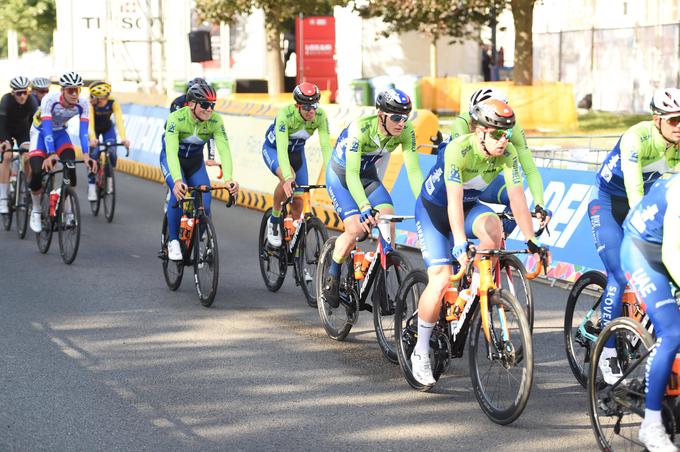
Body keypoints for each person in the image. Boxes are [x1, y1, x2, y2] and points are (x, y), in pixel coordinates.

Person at [409, 98, 550, 385]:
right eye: (497, 133)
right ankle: (420, 350)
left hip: (470, 206)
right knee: (440, 279)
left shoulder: (507, 153)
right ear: (479, 131)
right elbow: (453, 201)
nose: (503, 140)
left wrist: (531, 239)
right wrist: (460, 242)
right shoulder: (457, 150)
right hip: (435, 211)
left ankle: (476, 289)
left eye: (507, 133)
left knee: (495, 228)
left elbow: (517, 197)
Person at [589, 87, 680, 384]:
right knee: (621, 274)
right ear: (657, 121)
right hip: (607, 203)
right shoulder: (636, 137)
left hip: (638, 204)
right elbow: (634, 193)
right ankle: (607, 351)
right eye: (674, 121)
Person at [322, 88, 424, 307]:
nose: (401, 123)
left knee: (388, 222)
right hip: (341, 176)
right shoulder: (360, 128)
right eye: (396, 117)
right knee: (356, 230)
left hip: (368, 177)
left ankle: (381, 284)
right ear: (381, 116)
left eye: (405, 118)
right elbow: (350, 174)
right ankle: (333, 274)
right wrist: (364, 205)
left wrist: (424, 203)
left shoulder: (406, 132)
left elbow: (414, 171)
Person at [620, 172, 680, 452]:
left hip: (670, 250)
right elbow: (671, 255)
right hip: (644, 252)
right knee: (673, 332)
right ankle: (651, 424)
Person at [450, 87, 551, 231]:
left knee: (515, 200)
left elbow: (530, 169)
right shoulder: (461, 124)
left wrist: (540, 204)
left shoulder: (512, 128)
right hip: (461, 181)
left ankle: (499, 244)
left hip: (484, 179)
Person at [160, 83, 239, 261]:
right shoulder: (176, 119)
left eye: (213, 105)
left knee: (206, 202)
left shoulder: (216, 120)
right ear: (192, 104)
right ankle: (173, 241)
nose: (209, 109)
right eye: (205, 104)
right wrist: (178, 180)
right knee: (178, 194)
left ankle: (200, 236)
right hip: (173, 161)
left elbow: (224, 149)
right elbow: (171, 152)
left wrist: (229, 179)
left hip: (195, 163)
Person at [261, 82, 331, 248]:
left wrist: (331, 174)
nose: (311, 111)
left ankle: (293, 244)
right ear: (298, 106)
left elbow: (326, 147)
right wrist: (286, 177)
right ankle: (275, 218)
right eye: (307, 107)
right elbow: (282, 150)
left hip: (297, 154)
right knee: (289, 177)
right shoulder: (285, 115)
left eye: (314, 106)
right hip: (275, 151)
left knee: (299, 202)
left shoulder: (320, 116)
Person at [28, 71, 93, 233]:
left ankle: (68, 210)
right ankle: (36, 210)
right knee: (36, 171)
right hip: (41, 133)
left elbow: (83, 133)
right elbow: (47, 129)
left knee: (70, 167)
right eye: (70, 90)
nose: (73, 94)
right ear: (62, 90)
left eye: (76, 90)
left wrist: (86, 154)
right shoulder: (49, 100)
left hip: (61, 135)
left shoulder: (83, 104)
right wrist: (50, 154)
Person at [0, 76, 39, 213]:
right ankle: (3, 198)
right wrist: (4, 141)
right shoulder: (6, 100)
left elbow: (38, 121)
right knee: (6, 157)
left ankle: (28, 188)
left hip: (23, 130)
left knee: (28, 156)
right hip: (6, 130)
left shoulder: (32, 100)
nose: (23, 96)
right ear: (13, 93)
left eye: (25, 92)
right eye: (19, 93)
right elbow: (2, 123)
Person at [87, 81, 130, 201]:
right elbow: (90, 123)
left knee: (112, 152)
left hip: (107, 128)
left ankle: (109, 178)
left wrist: (123, 138)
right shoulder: (90, 104)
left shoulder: (113, 102)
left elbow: (119, 121)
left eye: (102, 99)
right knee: (94, 155)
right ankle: (91, 185)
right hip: (93, 129)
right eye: (97, 99)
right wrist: (92, 138)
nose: (100, 101)